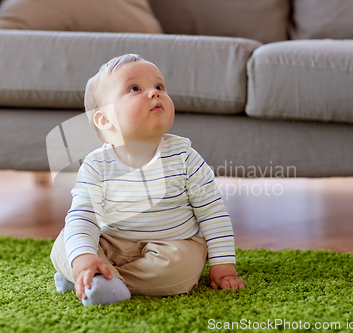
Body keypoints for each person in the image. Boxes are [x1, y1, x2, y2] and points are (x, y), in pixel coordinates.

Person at [50, 54, 245, 306]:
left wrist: (223, 266)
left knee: (183, 268)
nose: (154, 93)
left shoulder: (185, 157)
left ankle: (99, 280)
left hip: (173, 245)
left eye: (160, 87)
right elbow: (83, 215)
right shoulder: (96, 165)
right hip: (111, 242)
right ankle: (88, 270)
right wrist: (84, 256)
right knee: (66, 243)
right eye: (135, 88)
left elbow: (212, 212)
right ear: (105, 119)